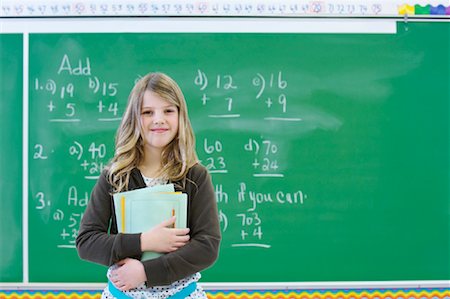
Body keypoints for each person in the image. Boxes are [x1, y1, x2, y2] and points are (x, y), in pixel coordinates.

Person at [76, 72, 221, 299]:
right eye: (147, 112)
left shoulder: (195, 176)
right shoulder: (114, 177)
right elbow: (87, 242)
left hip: (181, 294)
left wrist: (145, 272)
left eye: (168, 111)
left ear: (180, 116)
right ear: (135, 118)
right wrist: (145, 241)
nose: (158, 119)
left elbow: (207, 247)